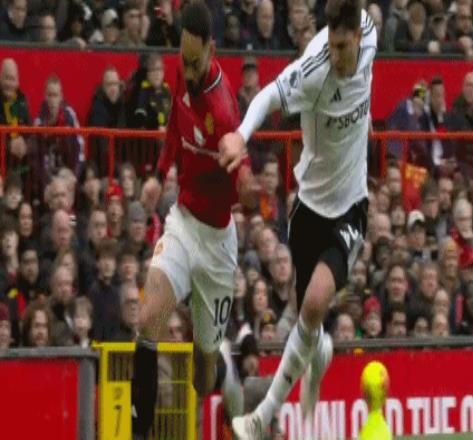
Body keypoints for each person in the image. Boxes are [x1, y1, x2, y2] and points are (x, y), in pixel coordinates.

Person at [220, 0, 377, 435]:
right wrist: (241, 135)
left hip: (351, 206)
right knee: (309, 325)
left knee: (312, 305)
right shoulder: (314, 68)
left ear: (358, 36)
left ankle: (261, 417)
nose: (339, 56)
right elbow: (269, 95)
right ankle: (319, 356)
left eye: (344, 47)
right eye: (334, 46)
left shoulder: (370, 33)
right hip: (308, 206)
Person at [130, 2, 257, 438]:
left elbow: (242, 172)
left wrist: (248, 190)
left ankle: (226, 372)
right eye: (183, 60)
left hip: (217, 246)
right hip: (183, 223)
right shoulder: (180, 73)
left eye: (195, 62)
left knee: (202, 379)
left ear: (212, 51)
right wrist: (157, 174)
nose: (187, 70)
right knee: (149, 317)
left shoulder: (223, 110)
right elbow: (173, 128)